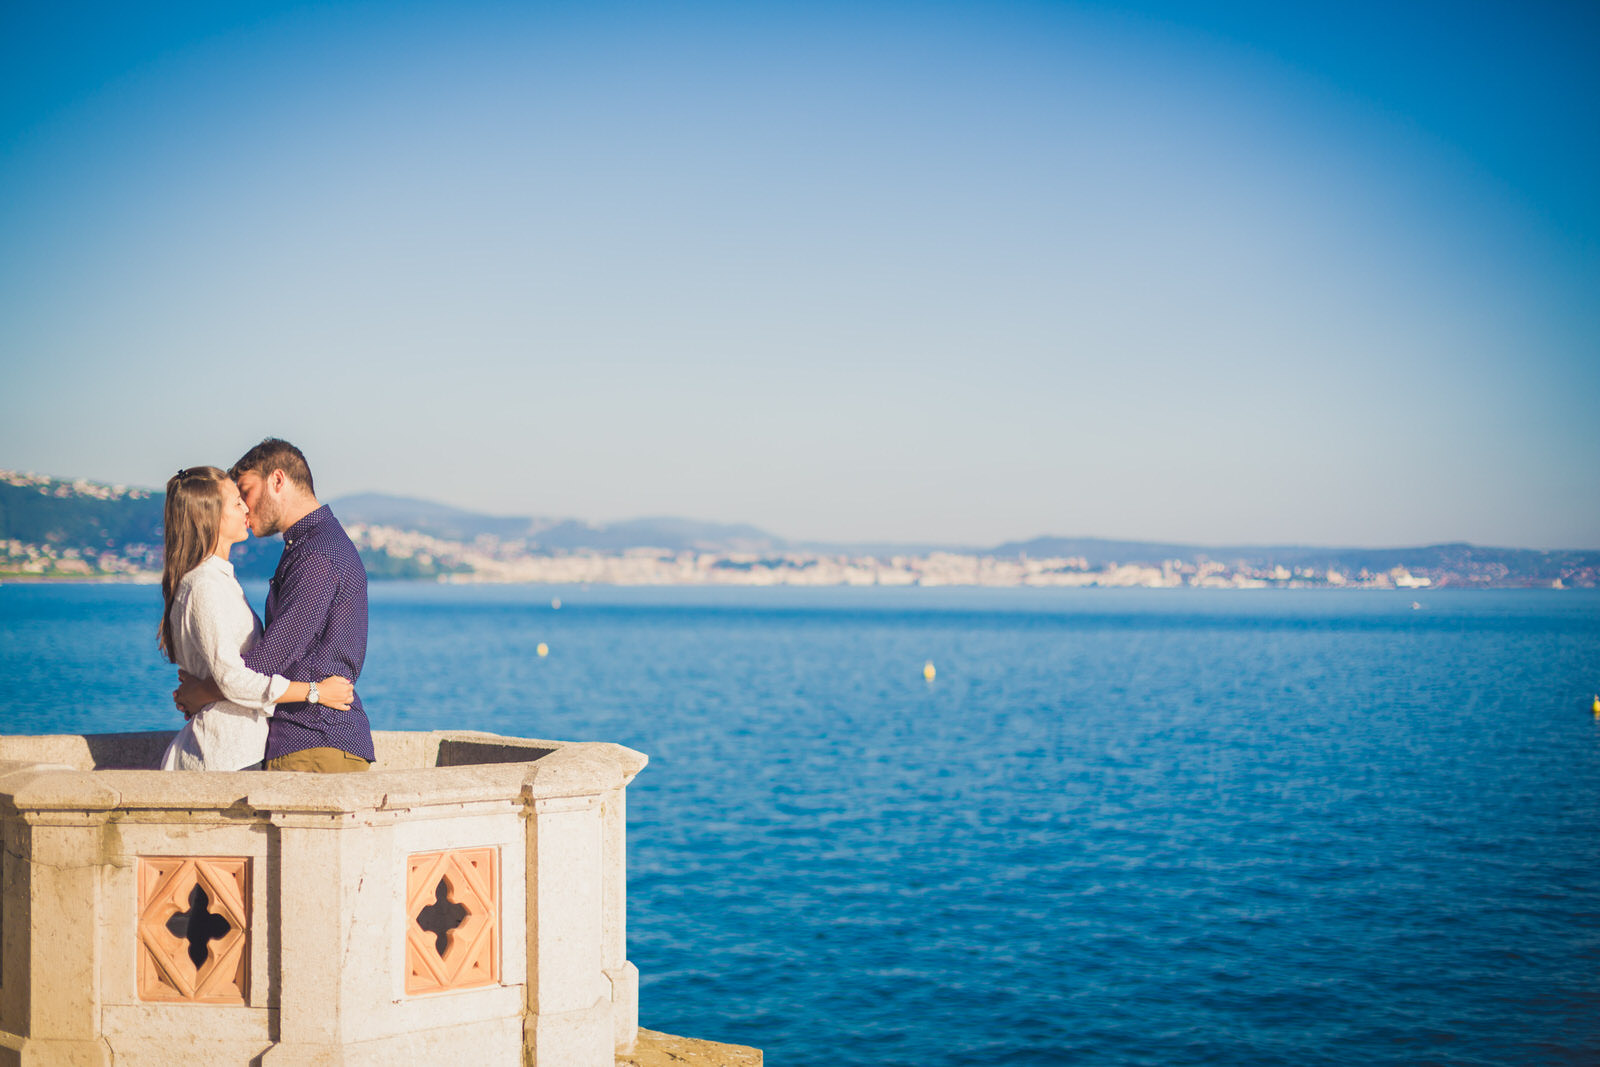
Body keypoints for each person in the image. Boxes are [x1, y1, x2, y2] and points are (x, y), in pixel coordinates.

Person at [175, 439, 376, 772]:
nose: (245, 507)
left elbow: (272, 657)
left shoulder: (316, 554)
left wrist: (204, 691)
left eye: (247, 492)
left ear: (277, 480)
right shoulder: (310, 545)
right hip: (315, 738)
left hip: (313, 740)